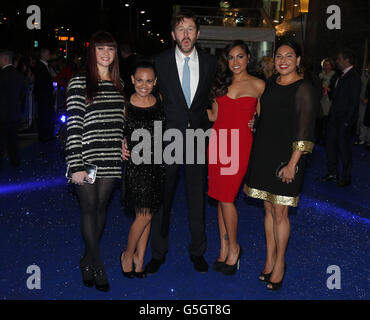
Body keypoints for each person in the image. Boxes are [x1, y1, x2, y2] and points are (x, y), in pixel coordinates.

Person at [123, 10, 217, 274]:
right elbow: (142, 98)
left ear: (198, 33)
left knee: (197, 197)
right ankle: (158, 252)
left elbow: (220, 96)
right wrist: (127, 136)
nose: (185, 34)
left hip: (198, 137)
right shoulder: (159, 62)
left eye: (190, 29)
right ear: (173, 35)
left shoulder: (211, 63)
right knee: (162, 198)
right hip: (167, 138)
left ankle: (198, 251)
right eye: (180, 29)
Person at [244, 40, 319, 290]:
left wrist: (292, 164)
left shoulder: (304, 88)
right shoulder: (270, 85)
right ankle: (269, 259)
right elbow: (266, 116)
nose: (283, 60)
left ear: (298, 60)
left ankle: (280, 264)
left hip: (288, 159)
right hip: (264, 152)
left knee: (280, 211)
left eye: (289, 56)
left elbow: (305, 130)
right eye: (279, 56)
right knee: (268, 208)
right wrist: (254, 124)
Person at [65, 31, 125, 292]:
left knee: (101, 207)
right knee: (89, 208)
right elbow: (74, 125)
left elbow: (120, 122)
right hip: (86, 157)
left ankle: (86, 260)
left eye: (110, 49)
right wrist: (75, 163)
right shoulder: (79, 82)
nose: (105, 53)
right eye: (100, 48)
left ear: (115, 54)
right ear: (92, 52)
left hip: (111, 156)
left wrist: (124, 141)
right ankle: (98, 264)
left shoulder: (119, 83)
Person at [207, 40, 264, 275]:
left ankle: (234, 247)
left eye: (240, 56)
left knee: (228, 198)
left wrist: (256, 122)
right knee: (221, 198)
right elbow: (213, 116)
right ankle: (223, 249)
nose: (235, 62)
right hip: (218, 142)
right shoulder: (220, 83)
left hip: (240, 145)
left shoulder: (260, 85)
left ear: (248, 58)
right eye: (231, 57)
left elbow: (266, 118)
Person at [120, 60, 165, 279]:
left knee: (148, 214)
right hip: (137, 167)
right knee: (144, 215)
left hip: (158, 165)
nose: (144, 85)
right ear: (132, 80)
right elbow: (114, 130)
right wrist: (120, 143)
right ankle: (128, 255)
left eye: (149, 81)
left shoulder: (160, 100)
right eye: (139, 80)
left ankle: (140, 260)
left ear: (155, 81)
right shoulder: (125, 104)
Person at [319, 49, 361, 187]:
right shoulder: (339, 76)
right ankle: (332, 173)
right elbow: (335, 97)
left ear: (346, 60)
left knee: (344, 149)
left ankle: (346, 177)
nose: (337, 61)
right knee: (330, 145)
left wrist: (348, 122)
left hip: (344, 120)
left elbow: (354, 102)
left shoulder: (354, 77)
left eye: (339, 59)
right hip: (333, 118)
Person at [0, 50, 27, 171]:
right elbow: (22, 94)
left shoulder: (2, 75)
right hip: (15, 113)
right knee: (13, 139)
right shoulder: (19, 75)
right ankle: (15, 162)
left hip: (2, 114)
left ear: (4, 59)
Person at [33, 48, 55, 142]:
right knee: (44, 115)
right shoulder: (40, 66)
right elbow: (42, 82)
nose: (49, 56)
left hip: (46, 95)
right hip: (44, 95)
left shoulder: (45, 66)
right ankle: (44, 135)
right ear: (44, 55)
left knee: (47, 115)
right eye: (48, 54)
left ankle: (47, 134)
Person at [317, 58, 336, 144]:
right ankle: (319, 136)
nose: (326, 66)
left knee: (327, 120)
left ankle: (326, 139)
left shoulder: (334, 76)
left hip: (329, 100)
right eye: (325, 64)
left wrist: (328, 89)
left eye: (328, 64)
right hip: (320, 99)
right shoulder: (320, 75)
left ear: (331, 66)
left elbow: (336, 90)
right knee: (320, 120)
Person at [355, 62, 370, 145]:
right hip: (363, 102)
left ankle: (368, 139)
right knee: (362, 120)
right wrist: (362, 98)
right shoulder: (363, 76)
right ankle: (362, 138)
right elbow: (359, 89)